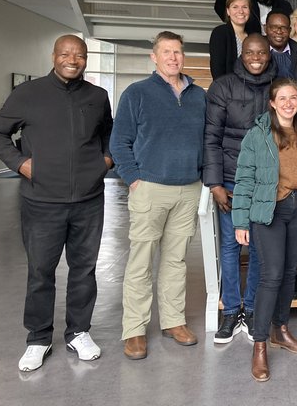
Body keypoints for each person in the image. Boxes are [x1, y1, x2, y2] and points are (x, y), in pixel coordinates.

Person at [0, 35, 113, 372]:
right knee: (41, 272)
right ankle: (38, 337)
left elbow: (109, 131)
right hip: (42, 201)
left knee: (84, 270)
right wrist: (20, 164)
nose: (72, 59)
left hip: (88, 200)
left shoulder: (97, 96)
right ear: (54, 56)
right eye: (66, 54)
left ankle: (78, 331)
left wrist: (105, 160)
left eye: (79, 54)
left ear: (86, 58)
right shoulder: (27, 94)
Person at [110, 31, 207, 361]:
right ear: (154, 57)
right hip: (149, 187)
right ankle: (135, 329)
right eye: (166, 52)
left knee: (176, 260)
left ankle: (173, 321)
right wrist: (134, 179)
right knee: (141, 261)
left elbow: (208, 139)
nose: (173, 58)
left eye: (178, 52)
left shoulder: (198, 96)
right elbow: (119, 142)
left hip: (188, 188)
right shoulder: (136, 93)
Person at [232, 78, 297, 382]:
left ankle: (282, 330)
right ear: (273, 103)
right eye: (283, 98)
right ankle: (260, 343)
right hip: (269, 212)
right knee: (271, 275)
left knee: (290, 272)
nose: (289, 103)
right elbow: (244, 179)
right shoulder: (257, 135)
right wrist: (240, 221)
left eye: (294, 97)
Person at [203, 34, 277, 345]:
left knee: (259, 248)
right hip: (232, 182)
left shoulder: (280, 86)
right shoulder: (223, 86)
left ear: (269, 54)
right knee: (232, 248)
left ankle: (251, 308)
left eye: (262, 52)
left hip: (266, 184)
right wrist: (215, 183)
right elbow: (211, 138)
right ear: (241, 53)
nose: (256, 57)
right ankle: (231, 310)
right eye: (250, 52)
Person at [209, 0, 261, 79]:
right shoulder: (220, 33)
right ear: (228, 11)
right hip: (228, 89)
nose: (240, 11)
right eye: (235, 7)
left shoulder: (253, 35)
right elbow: (217, 69)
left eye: (245, 7)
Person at [266, 11, 297, 83]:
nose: (279, 31)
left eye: (284, 28)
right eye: (274, 27)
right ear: (265, 28)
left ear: (289, 30)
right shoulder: (255, 54)